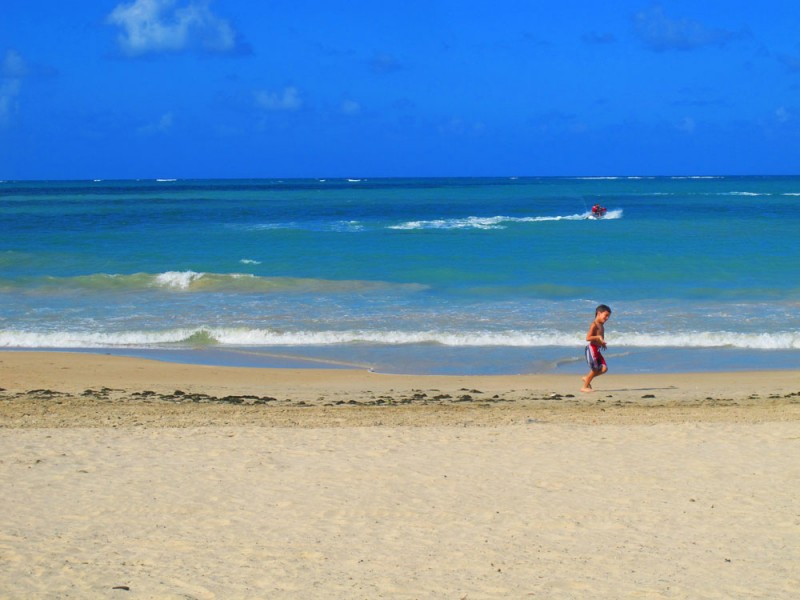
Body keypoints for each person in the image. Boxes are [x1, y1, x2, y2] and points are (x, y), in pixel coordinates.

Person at [581, 304, 611, 392]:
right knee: (595, 369)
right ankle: (584, 387)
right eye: (606, 316)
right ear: (598, 313)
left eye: (608, 316)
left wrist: (602, 343)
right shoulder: (594, 325)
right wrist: (598, 338)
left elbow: (601, 337)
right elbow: (588, 338)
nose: (607, 318)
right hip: (591, 349)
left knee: (604, 368)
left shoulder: (602, 326)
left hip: (597, 349)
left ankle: (587, 378)